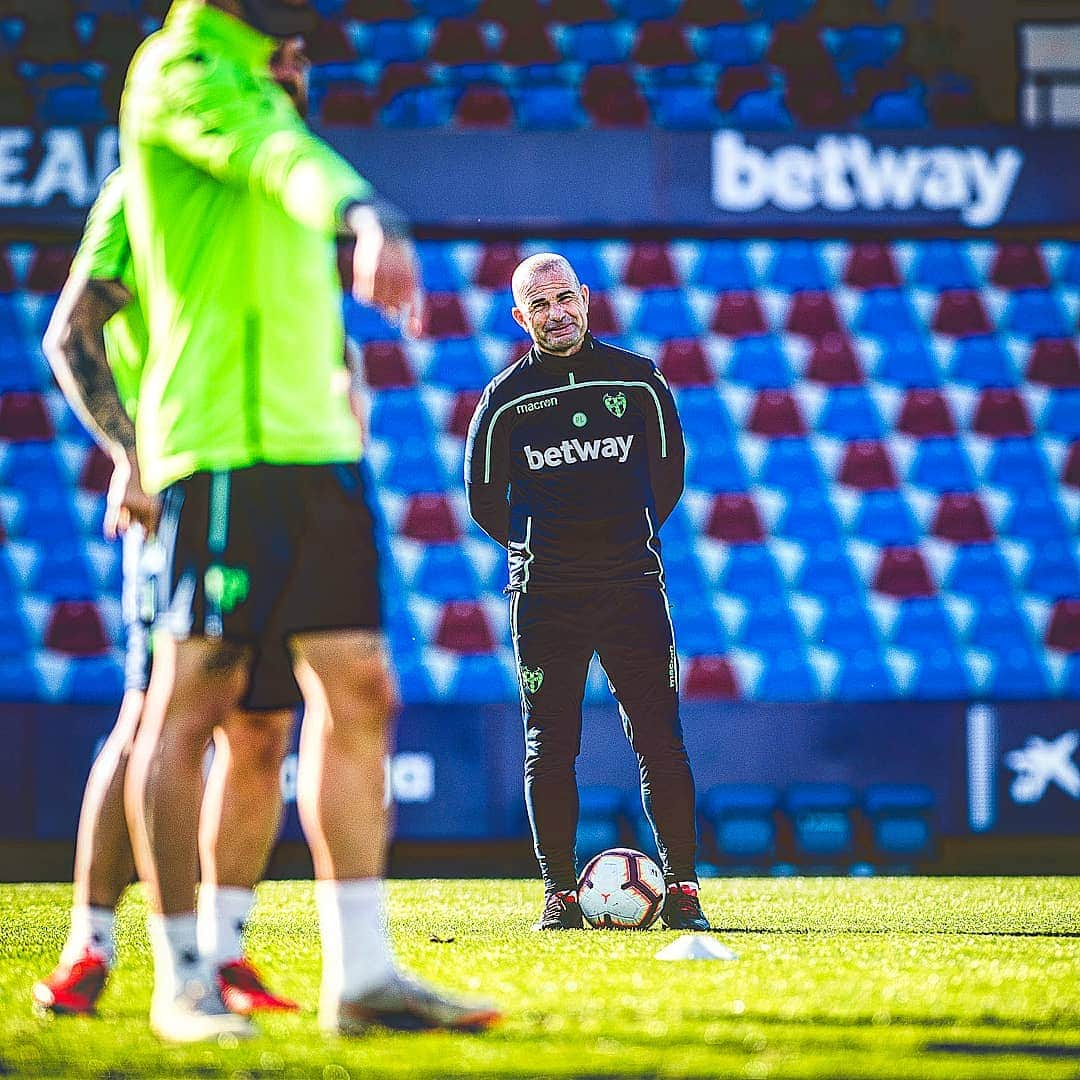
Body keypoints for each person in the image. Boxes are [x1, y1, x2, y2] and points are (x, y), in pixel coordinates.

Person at [112, 0, 498, 1042]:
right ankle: (181, 977)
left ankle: (362, 979)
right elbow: (280, 158)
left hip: (316, 447)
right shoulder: (184, 69)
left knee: (359, 688)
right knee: (193, 702)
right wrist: (369, 215)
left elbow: (288, 164)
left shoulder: (270, 86)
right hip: (225, 445)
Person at [32, 39, 318, 1021]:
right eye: (267, 63)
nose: (286, 77)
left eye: (296, 61)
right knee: (156, 710)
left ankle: (225, 954)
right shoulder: (145, 189)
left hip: (279, 481)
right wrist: (131, 453)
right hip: (185, 485)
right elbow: (69, 331)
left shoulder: (274, 198)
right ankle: (91, 946)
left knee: (263, 723)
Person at [465, 253, 710, 934]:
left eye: (564, 298)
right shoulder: (504, 401)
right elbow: (485, 502)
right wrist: (550, 548)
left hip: (631, 585)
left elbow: (668, 478)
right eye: (539, 306)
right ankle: (557, 893)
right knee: (549, 743)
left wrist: (618, 538)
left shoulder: (638, 382)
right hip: (547, 595)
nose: (556, 314)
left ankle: (684, 889)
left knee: (660, 738)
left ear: (585, 299)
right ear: (520, 317)